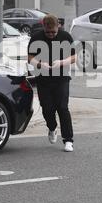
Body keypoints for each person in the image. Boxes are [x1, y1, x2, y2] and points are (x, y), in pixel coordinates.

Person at [28, 14, 76, 152]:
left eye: (53, 32)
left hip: (61, 78)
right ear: (43, 27)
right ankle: (52, 127)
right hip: (43, 79)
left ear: (58, 27)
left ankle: (68, 140)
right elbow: (30, 57)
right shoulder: (36, 37)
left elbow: (74, 57)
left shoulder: (65, 37)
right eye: (47, 32)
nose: (50, 34)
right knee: (47, 108)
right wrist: (39, 64)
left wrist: (61, 62)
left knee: (62, 108)